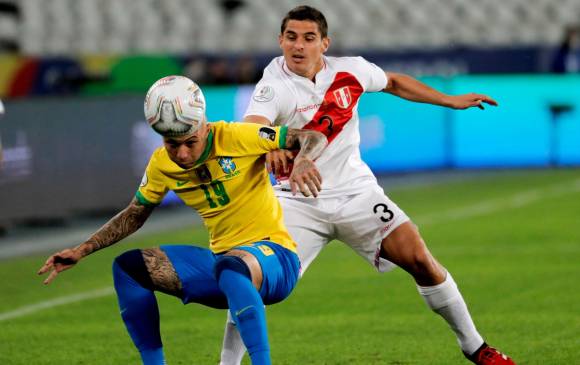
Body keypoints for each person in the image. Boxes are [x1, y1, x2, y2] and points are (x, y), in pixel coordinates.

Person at [219, 6, 515, 365]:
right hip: (295, 202)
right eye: (291, 37)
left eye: (308, 38)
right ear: (280, 40)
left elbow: (393, 81)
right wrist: (270, 146)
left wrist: (448, 100)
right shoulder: (273, 86)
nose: (298, 46)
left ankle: (476, 348)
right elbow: (253, 125)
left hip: (356, 193)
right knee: (251, 280)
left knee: (420, 258)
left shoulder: (351, 70)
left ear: (324, 43)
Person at [37, 75, 328, 365]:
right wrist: (81, 250)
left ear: (203, 125)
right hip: (224, 265)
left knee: (232, 266)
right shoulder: (161, 164)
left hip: (276, 258)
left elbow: (312, 137)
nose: (182, 154)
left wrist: (302, 158)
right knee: (129, 268)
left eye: (190, 142)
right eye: (172, 144)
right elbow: (135, 214)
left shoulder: (238, 136)